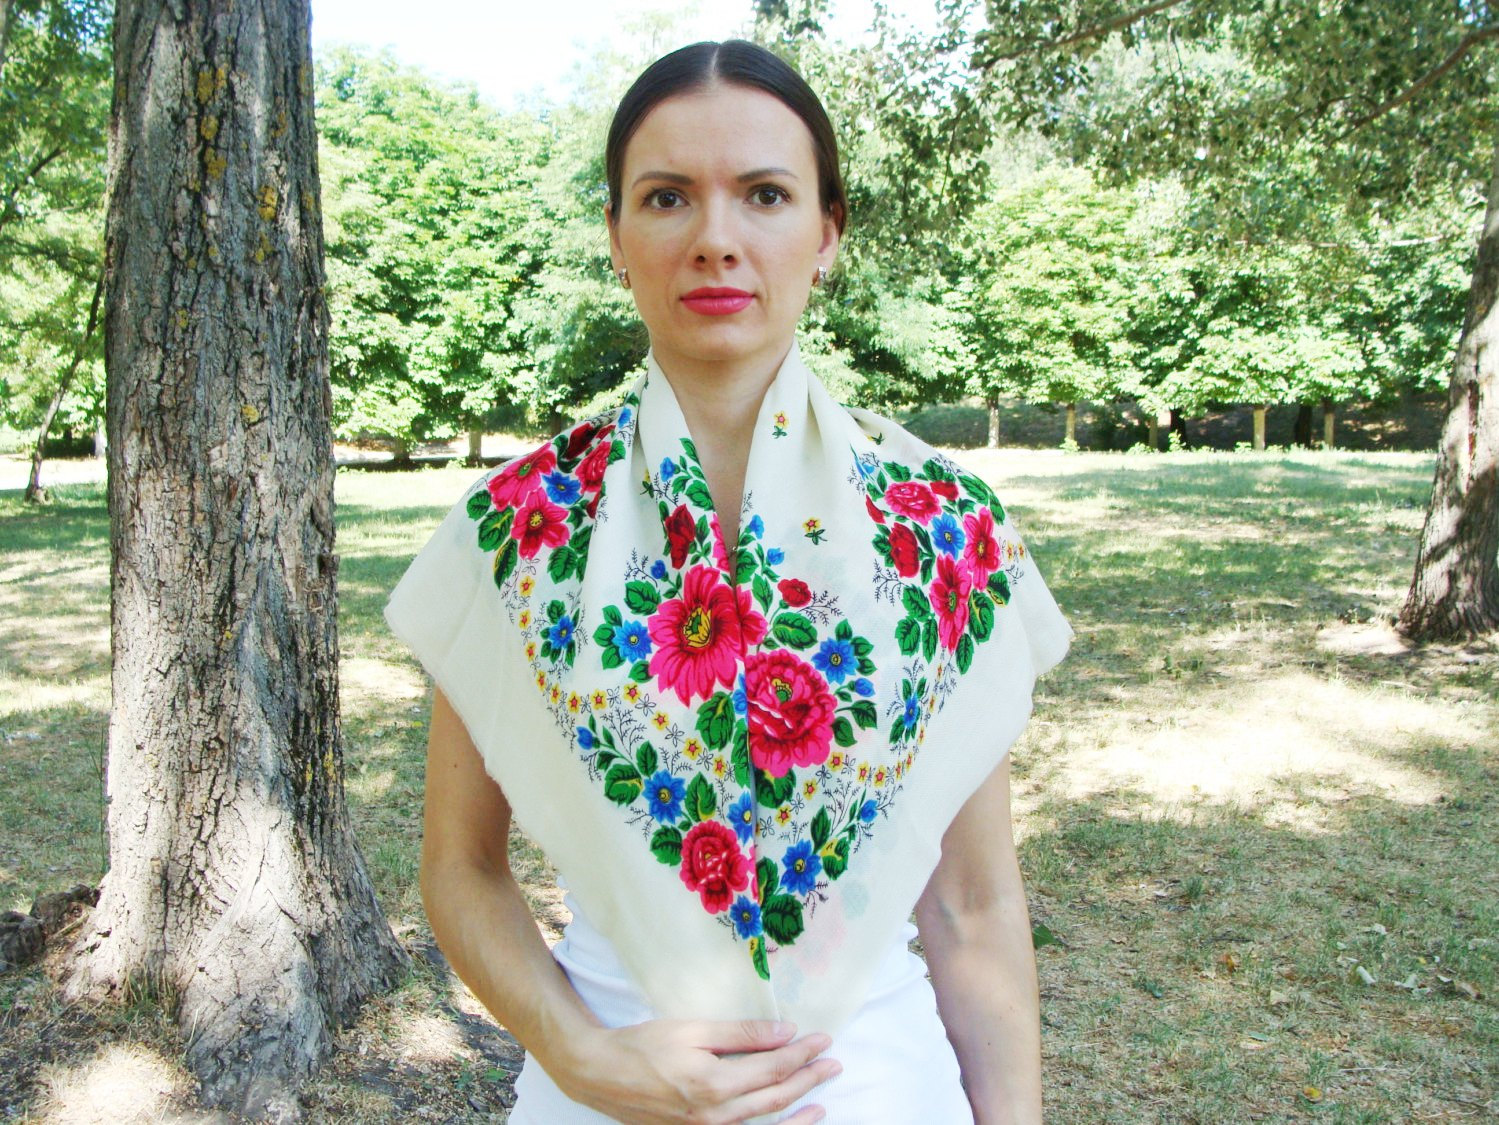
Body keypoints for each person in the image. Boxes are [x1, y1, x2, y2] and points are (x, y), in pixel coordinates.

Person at [385, 39, 1071, 1125]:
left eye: (765, 194)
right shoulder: (522, 530)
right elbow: (462, 868)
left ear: (826, 232)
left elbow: (973, 905)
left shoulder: (942, 529)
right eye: (667, 198)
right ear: (617, 236)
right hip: (608, 1092)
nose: (716, 239)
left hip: (882, 1091)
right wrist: (582, 1058)